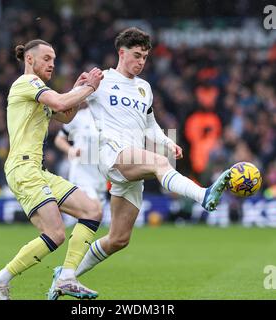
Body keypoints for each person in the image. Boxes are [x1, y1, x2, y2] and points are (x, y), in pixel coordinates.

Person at [47, 28, 230, 299]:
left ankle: (65, 275)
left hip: (132, 158)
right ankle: (203, 195)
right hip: (112, 155)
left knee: (119, 239)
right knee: (158, 163)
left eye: (145, 56)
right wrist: (80, 86)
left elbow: (149, 125)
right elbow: (64, 110)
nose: (141, 61)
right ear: (121, 53)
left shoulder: (145, 88)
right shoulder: (102, 80)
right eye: (136, 55)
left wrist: (168, 142)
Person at [0, 39, 104, 300]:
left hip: (37, 170)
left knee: (92, 210)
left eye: (54, 59)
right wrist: (90, 87)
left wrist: (79, 88)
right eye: (47, 58)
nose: (52, 63)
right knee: (55, 233)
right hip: (22, 167)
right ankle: (0, 279)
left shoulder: (40, 91)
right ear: (30, 59)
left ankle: (67, 277)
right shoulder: (27, 83)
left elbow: (65, 115)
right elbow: (61, 104)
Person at [54, 104, 108, 227]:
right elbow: (59, 139)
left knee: (93, 219)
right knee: (95, 210)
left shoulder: (112, 118)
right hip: (81, 173)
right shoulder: (79, 117)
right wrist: (70, 150)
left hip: (100, 175)